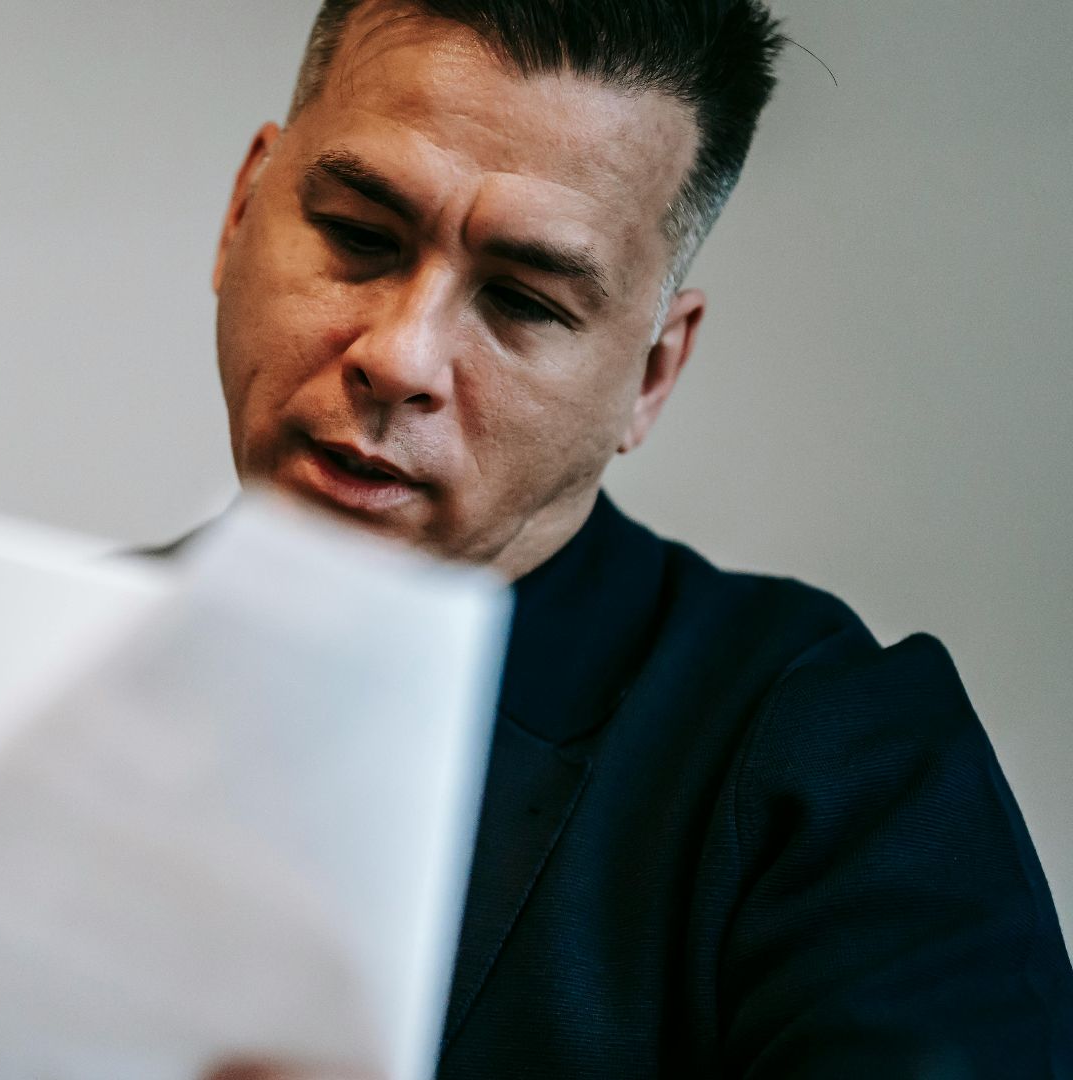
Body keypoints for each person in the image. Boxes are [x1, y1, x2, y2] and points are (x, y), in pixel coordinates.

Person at [183, 0, 1073, 1075]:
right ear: (241, 213)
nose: (401, 357)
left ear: (652, 374)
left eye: (521, 301)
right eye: (362, 239)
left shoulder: (841, 767)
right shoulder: (5, 664)